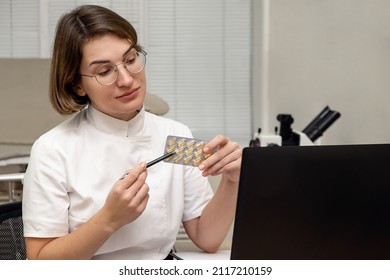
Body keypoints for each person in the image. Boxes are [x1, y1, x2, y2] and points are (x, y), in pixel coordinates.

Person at [22, 4, 242, 260]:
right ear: (77, 85)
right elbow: (39, 261)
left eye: (130, 59)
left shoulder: (176, 134)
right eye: (104, 71)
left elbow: (208, 238)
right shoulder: (52, 150)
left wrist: (231, 180)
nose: (126, 80)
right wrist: (109, 219)